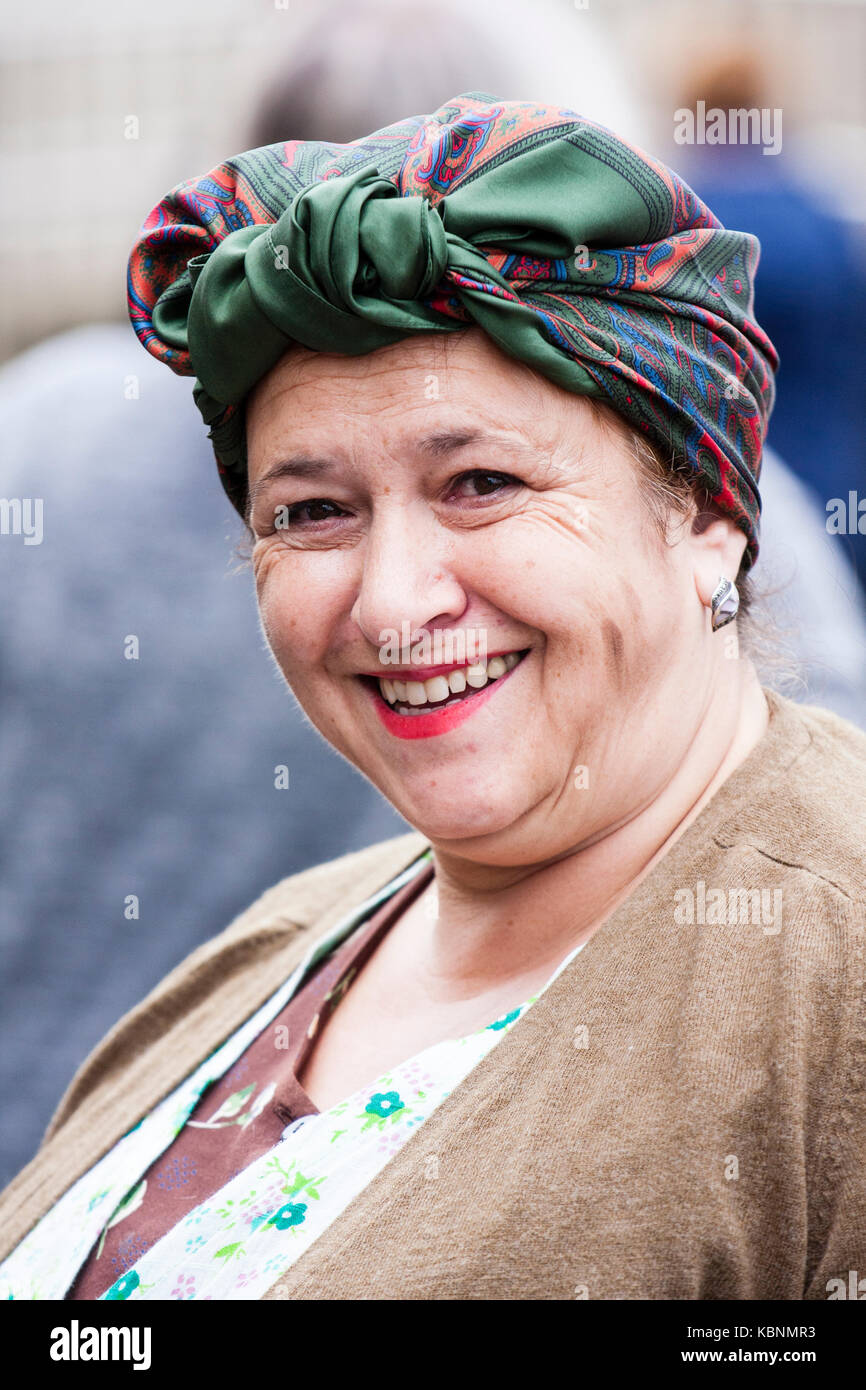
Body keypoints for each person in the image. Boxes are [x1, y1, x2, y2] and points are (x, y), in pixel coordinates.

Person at [1, 93, 864, 1301]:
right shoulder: (273, 952)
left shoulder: (833, 986)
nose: (393, 604)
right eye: (312, 512)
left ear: (708, 516)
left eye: (480, 482)